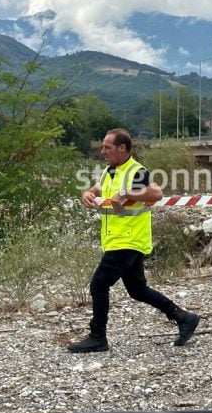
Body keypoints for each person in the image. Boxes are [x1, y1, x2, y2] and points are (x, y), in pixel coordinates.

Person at [68, 128, 201, 353]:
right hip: (117, 240)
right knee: (137, 290)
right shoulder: (109, 171)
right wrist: (87, 193)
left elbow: (156, 193)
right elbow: (97, 188)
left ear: (122, 148)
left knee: (99, 284)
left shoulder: (135, 171)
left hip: (128, 241)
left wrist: (126, 193)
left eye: (107, 147)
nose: (102, 152)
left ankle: (98, 337)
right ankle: (184, 318)